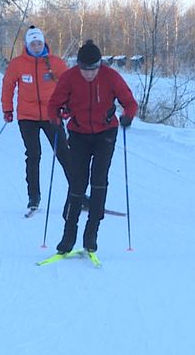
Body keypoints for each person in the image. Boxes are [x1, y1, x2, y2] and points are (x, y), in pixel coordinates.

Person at [47, 40, 137, 254]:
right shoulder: (69, 77)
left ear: (99, 65)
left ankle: (91, 234)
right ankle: (68, 236)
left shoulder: (111, 77)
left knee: (99, 181)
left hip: (105, 133)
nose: (89, 74)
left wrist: (127, 117)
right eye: (85, 69)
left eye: (93, 69)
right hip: (78, 133)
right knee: (78, 182)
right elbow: (53, 104)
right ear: (78, 66)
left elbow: (130, 103)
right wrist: (55, 117)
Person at [1, 25, 71, 214]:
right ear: (27, 44)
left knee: (64, 153)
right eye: (33, 43)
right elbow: (8, 86)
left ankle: (78, 194)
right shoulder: (18, 64)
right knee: (33, 154)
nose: (37, 46)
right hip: (27, 117)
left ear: (44, 43)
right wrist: (7, 109)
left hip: (51, 115)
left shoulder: (55, 63)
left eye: (39, 42)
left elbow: (68, 85)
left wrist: (67, 107)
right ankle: (34, 196)